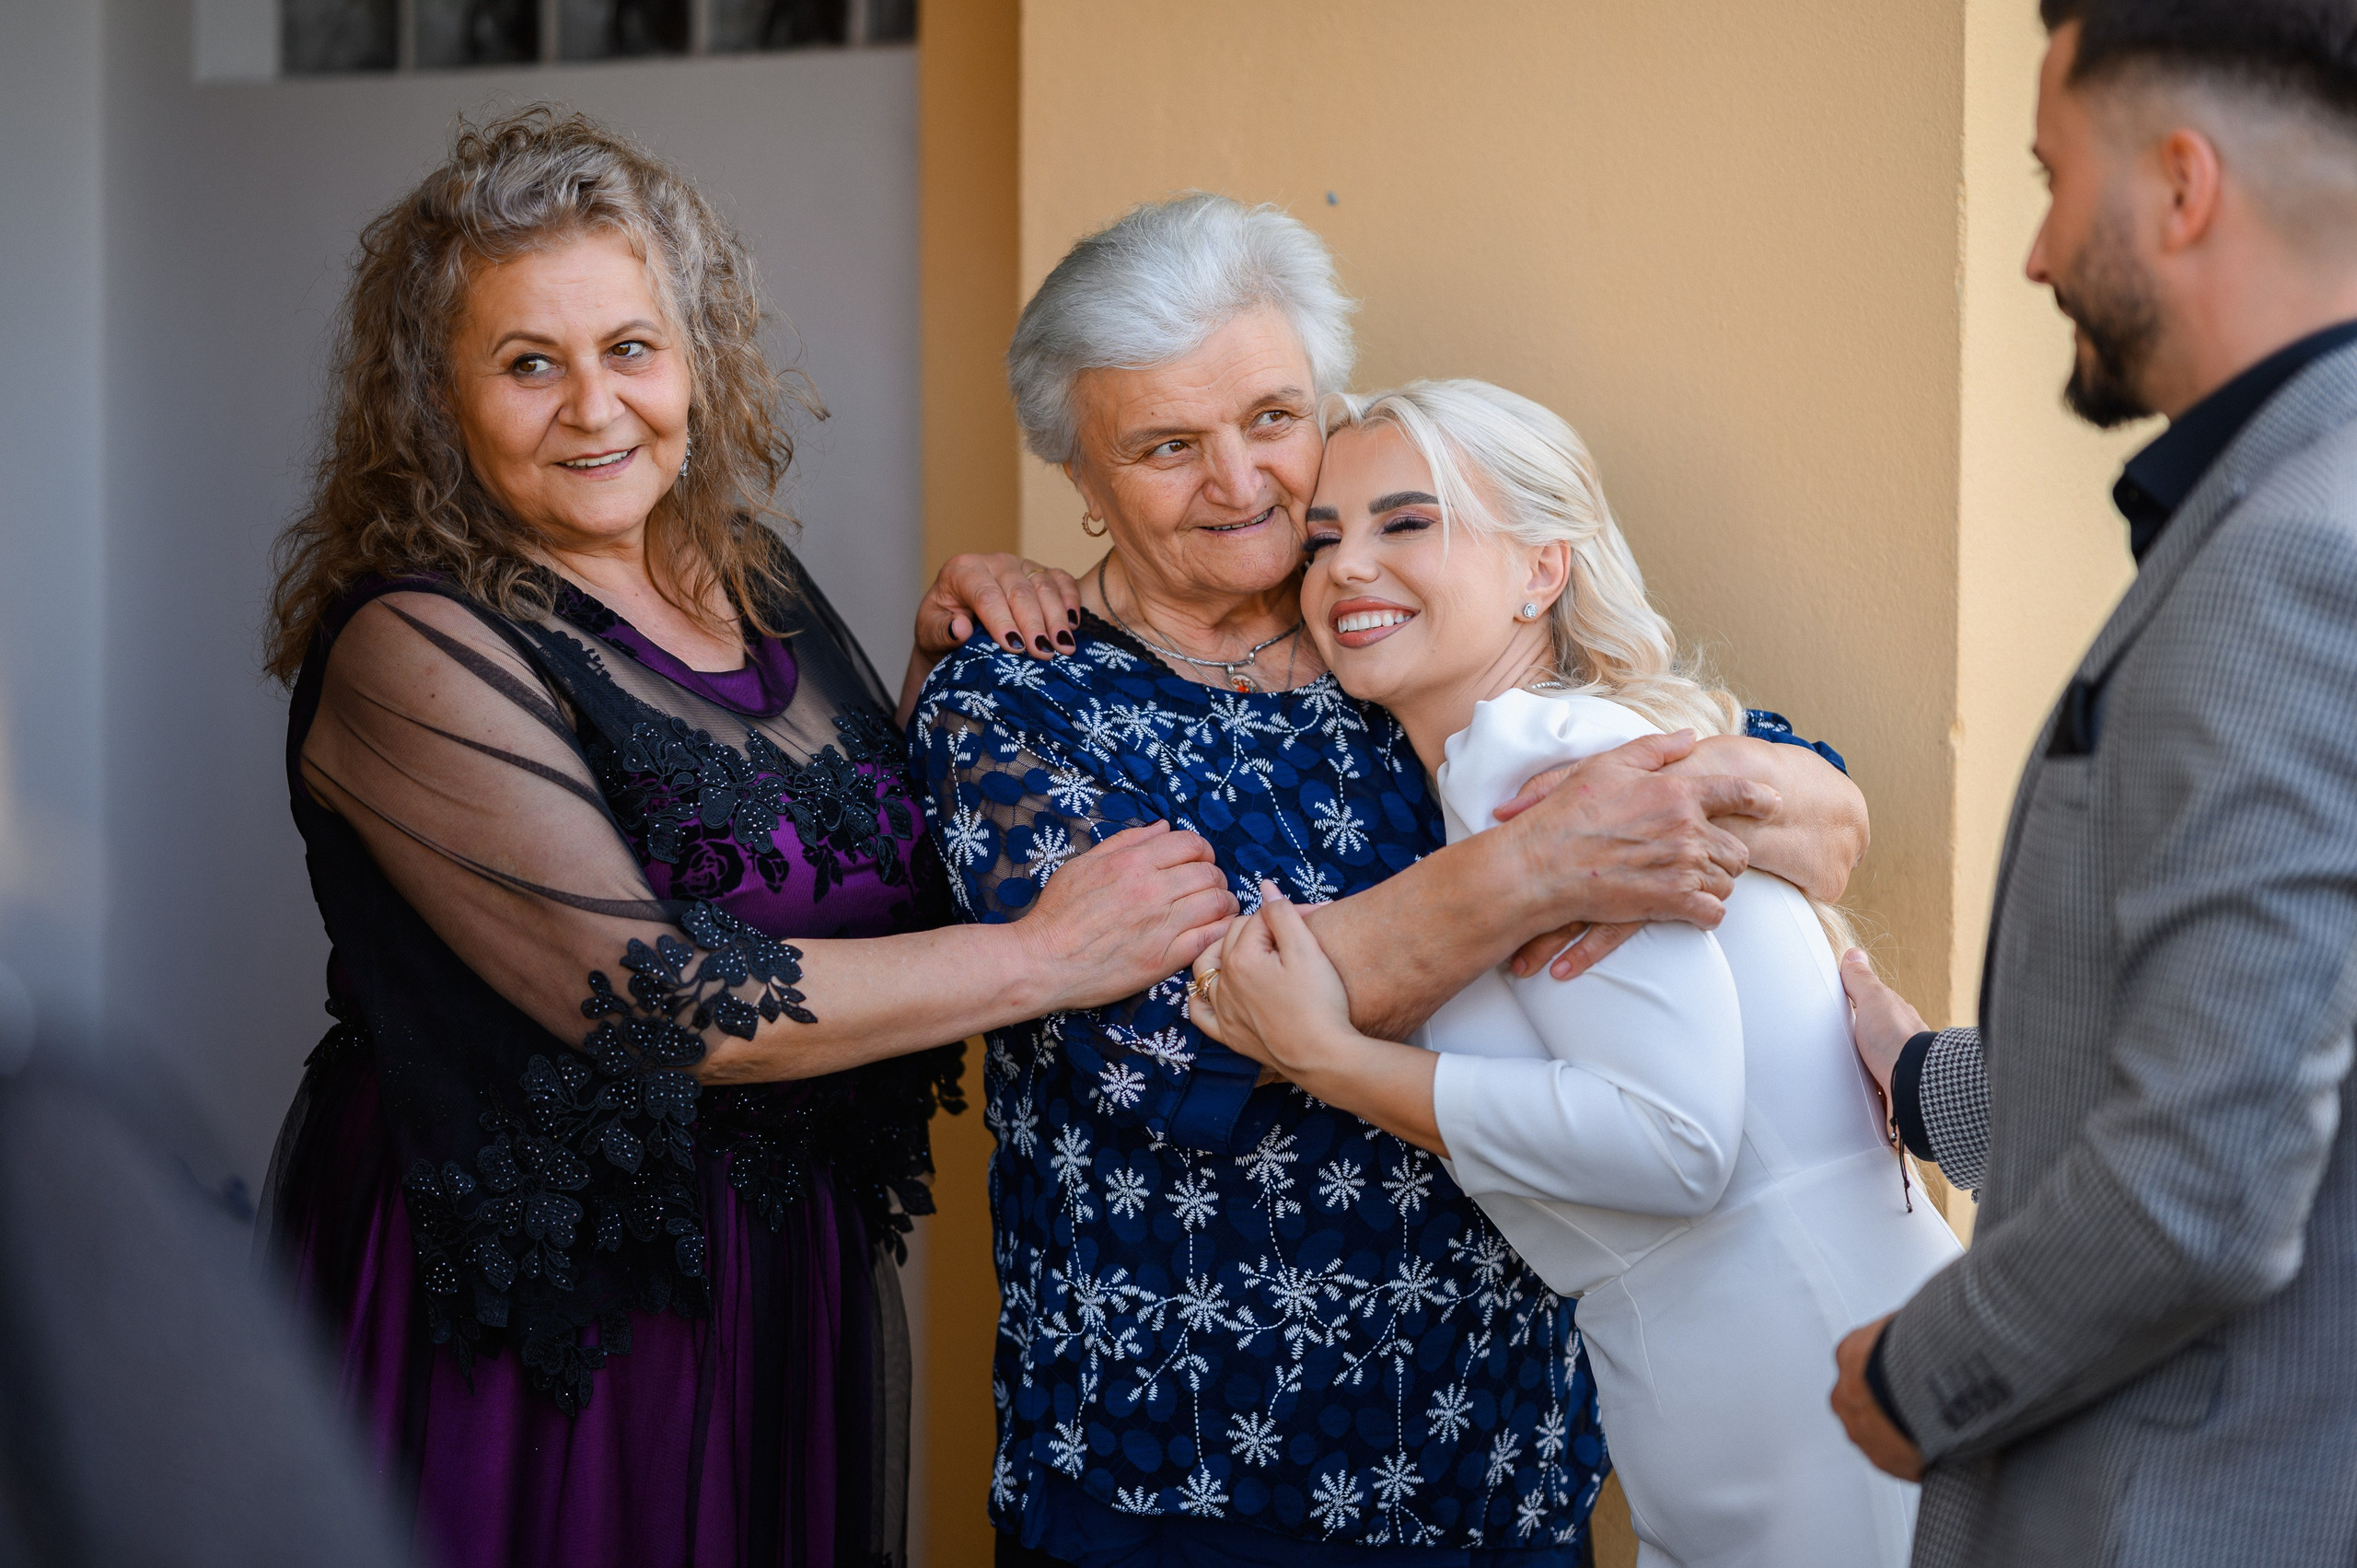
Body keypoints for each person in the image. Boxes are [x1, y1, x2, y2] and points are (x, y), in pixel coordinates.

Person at [260, 109, 1235, 1568]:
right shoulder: (413, 645)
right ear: (435, 401)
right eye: (530, 365)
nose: (596, 408)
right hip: (554, 1327)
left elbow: (849, 858)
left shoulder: (747, 576)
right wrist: (1043, 958)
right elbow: (653, 1001)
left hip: (779, 1273)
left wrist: (952, 650)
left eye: (632, 350)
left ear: (700, 362)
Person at [909, 192, 1873, 1566]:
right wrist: (1539, 865)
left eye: (1271, 419)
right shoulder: (1019, 701)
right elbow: (1167, 1043)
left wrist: (1757, 809)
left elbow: (1810, 809)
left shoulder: (1406, 626)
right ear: (1080, 478)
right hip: (1178, 1474)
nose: (1240, 484)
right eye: (1167, 446)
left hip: (1505, 1454)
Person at [1190, 378, 1961, 1568]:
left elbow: (1671, 1145)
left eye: (1408, 522)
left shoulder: (1557, 772)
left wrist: (1334, 1061)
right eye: (1326, 537)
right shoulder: (1520, 776)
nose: (1345, 569)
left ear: (1543, 570)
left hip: (1815, 1396)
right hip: (1747, 1402)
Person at [1823, 5, 2357, 1563]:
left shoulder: (2292, 567)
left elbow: (2211, 1165)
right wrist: (1930, 1080)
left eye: (2055, 178)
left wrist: (1926, 1373)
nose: (2038, 251)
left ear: (2183, 188)